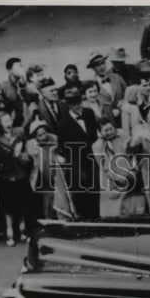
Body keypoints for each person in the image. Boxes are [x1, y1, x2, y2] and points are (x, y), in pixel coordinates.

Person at [56, 86, 101, 221]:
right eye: (75, 104)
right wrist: (76, 170)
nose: (79, 106)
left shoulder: (89, 113)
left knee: (97, 195)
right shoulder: (63, 124)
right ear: (69, 106)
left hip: (94, 161)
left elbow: (94, 137)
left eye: (79, 102)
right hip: (78, 167)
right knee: (83, 199)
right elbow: (64, 150)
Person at [0, 109, 32, 246]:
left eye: (10, 119)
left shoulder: (19, 132)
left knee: (23, 204)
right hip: (6, 175)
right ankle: (10, 232)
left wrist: (21, 155)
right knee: (8, 206)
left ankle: (23, 230)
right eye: (5, 121)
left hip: (20, 173)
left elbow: (27, 152)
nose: (9, 123)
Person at [93, 119, 143, 217]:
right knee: (114, 212)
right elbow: (104, 167)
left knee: (132, 209)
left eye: (111, 129)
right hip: (112, 181)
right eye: (106, 130)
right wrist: (120, 179)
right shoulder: (97, 146)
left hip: (129, 176)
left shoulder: (120, 134)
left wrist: (133, 170)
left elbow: (130, 153)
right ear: (100, 132)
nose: (110, 132)